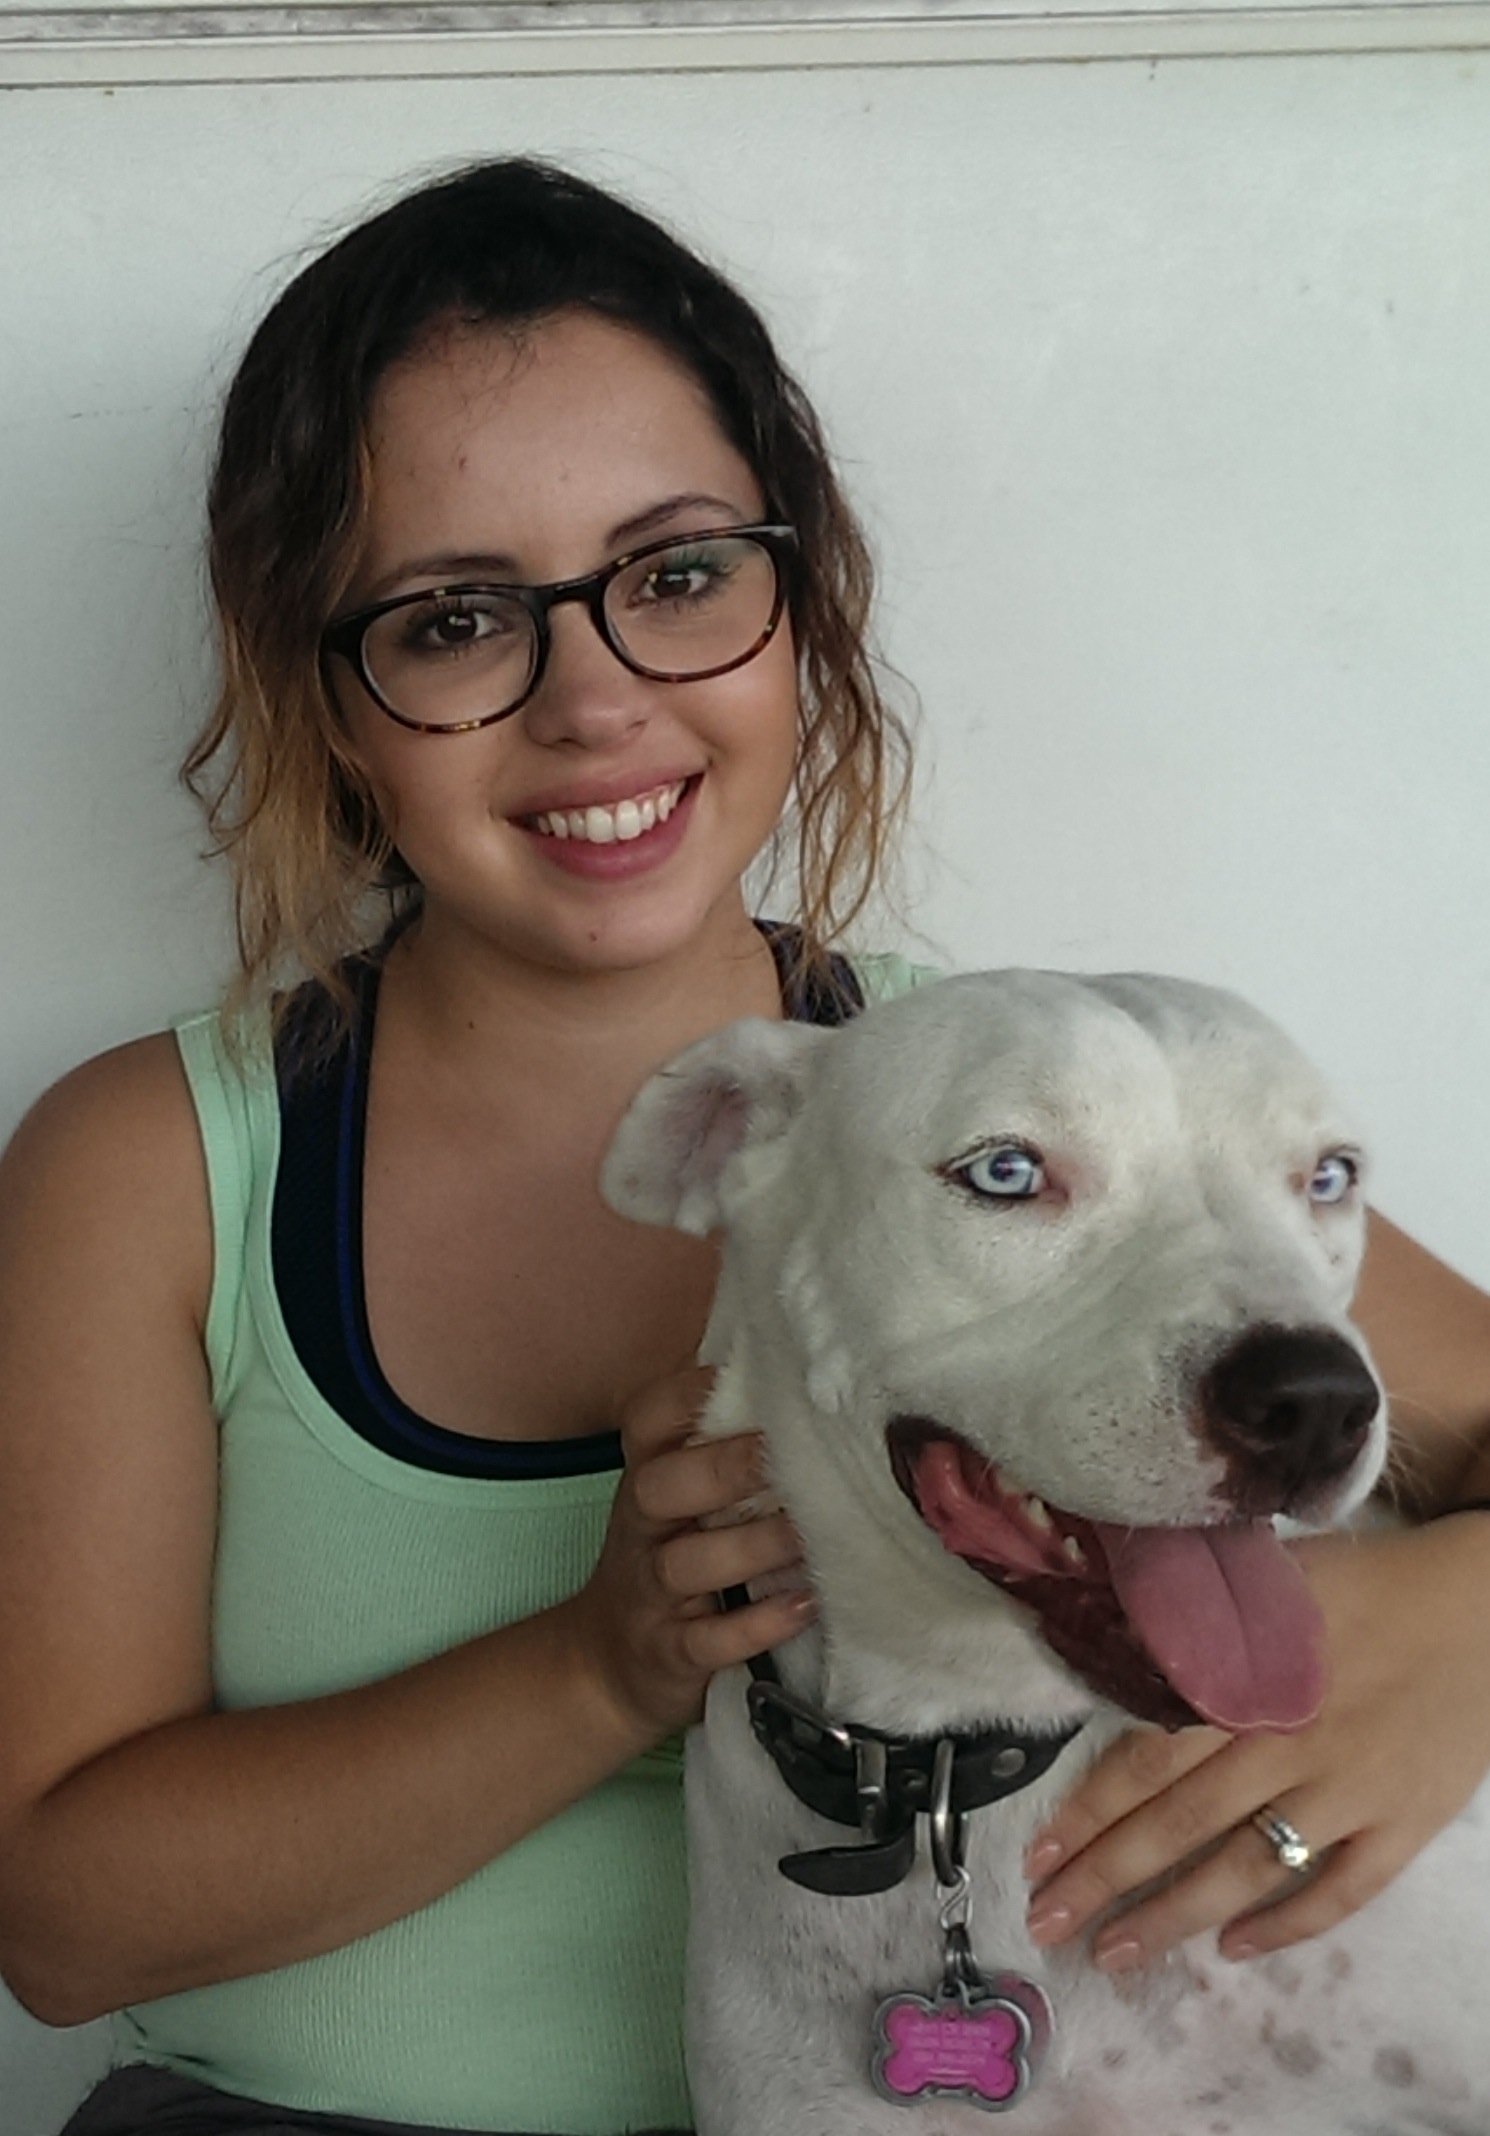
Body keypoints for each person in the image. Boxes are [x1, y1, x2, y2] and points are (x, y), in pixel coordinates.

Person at [0, 156, 1487, 2136]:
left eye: (679, 575)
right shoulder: (165, 1164)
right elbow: (61, 1920)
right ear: (325, 698)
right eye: (455, 621)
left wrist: (1447, 1631)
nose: (596, 698)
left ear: (807, 605)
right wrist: (602, 1664)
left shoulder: (1023, 1103)